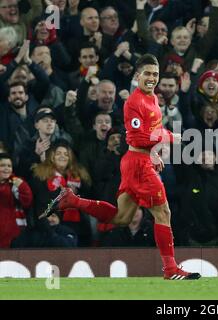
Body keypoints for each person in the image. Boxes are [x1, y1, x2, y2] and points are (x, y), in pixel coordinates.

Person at [42, 53, 201, 280]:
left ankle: (72, 200)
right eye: (147, 73)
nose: (152, 78)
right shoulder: (134, 102)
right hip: (138, 163)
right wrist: (170, 137)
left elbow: (150, 135)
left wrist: (155, 152)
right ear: (137, 75)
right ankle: (171, 269)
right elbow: (138, 138)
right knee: (163, 212)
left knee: (121, 218)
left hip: (140, 161)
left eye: (155, 74)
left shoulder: (153, 99)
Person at [0, 152, 33, 248]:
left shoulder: (16, 182)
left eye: (9, 166)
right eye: (2, 165)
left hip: (14, 233)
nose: (6, 168)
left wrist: (22, 187)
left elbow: (27, 202)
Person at [11, 212, 78, 248]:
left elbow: (70, 245)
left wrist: (50, 234)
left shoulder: (66, 231)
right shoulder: (32, 232)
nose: (49, 219)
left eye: (53, 216)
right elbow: (16, 246)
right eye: (45, 217)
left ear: (59, 218)